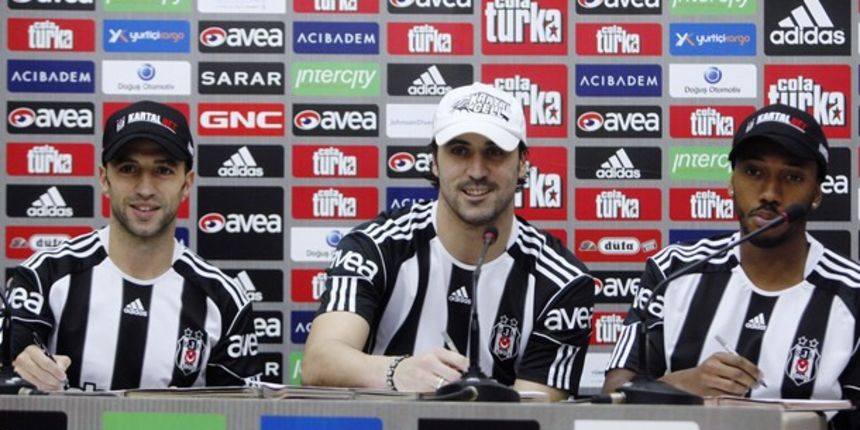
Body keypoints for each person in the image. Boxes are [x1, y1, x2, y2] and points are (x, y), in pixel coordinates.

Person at [302, 82, 594, 401]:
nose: (477, 170)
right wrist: (397, 372)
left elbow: (538, 412)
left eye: (494, 152)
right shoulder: (375, 247)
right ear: (434, 162)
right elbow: (318, 363)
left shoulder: (562, 281)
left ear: (523, 162)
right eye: (459, 150)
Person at [603, 104, 860, 427]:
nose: (770, 193)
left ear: (817, 194)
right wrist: (682, 386)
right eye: (753, 172)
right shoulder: (672, 270)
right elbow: (613, 395)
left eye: (792, 177)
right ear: (731, 182)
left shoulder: (852, 293)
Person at [4, 101, 262, 391]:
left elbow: (240, 416)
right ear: (104, 178)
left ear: (187, 184)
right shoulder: (44, 275)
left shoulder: (224, 299)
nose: (145, 188)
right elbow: (10, 373)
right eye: (128, 168)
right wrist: (16, 364)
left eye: (163, 170)